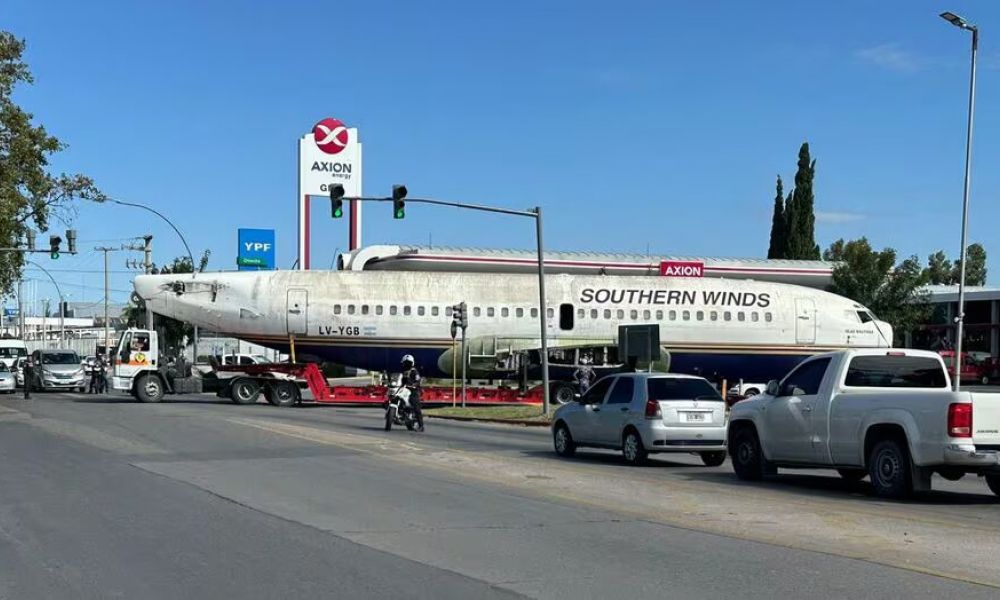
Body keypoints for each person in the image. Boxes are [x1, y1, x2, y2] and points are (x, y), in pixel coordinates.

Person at [400, 354, 424, 432]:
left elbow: (418, 380)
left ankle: (421, 426)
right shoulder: (404, 372)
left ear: (412, 363)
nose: (406, 365)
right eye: (405, 363)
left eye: (408, 363)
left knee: (416, 407)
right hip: (404, 390)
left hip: (413, 391)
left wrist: (414, 385)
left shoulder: (414, 371)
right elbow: (402, 381)